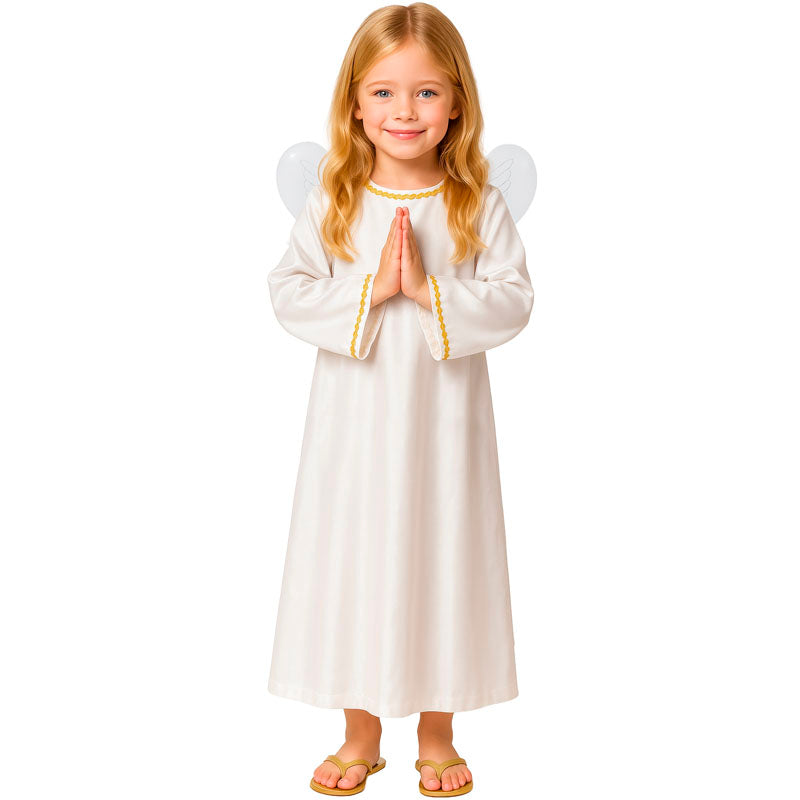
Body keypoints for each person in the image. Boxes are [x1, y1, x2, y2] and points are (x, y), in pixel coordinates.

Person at [266, 3, 534, 795]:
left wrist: (429, 293)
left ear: (456, 102)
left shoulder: (473, 202)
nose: (404, 111)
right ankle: (359, 732)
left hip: (444, 424)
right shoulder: (336, 199)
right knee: (354, 557)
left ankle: (437, 733)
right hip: (353, 425)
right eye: (383, 92)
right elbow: (287, 290)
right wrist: (372, 290)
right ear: (354, 103)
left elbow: (515, 297)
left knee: (443, 553)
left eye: (425, 92)